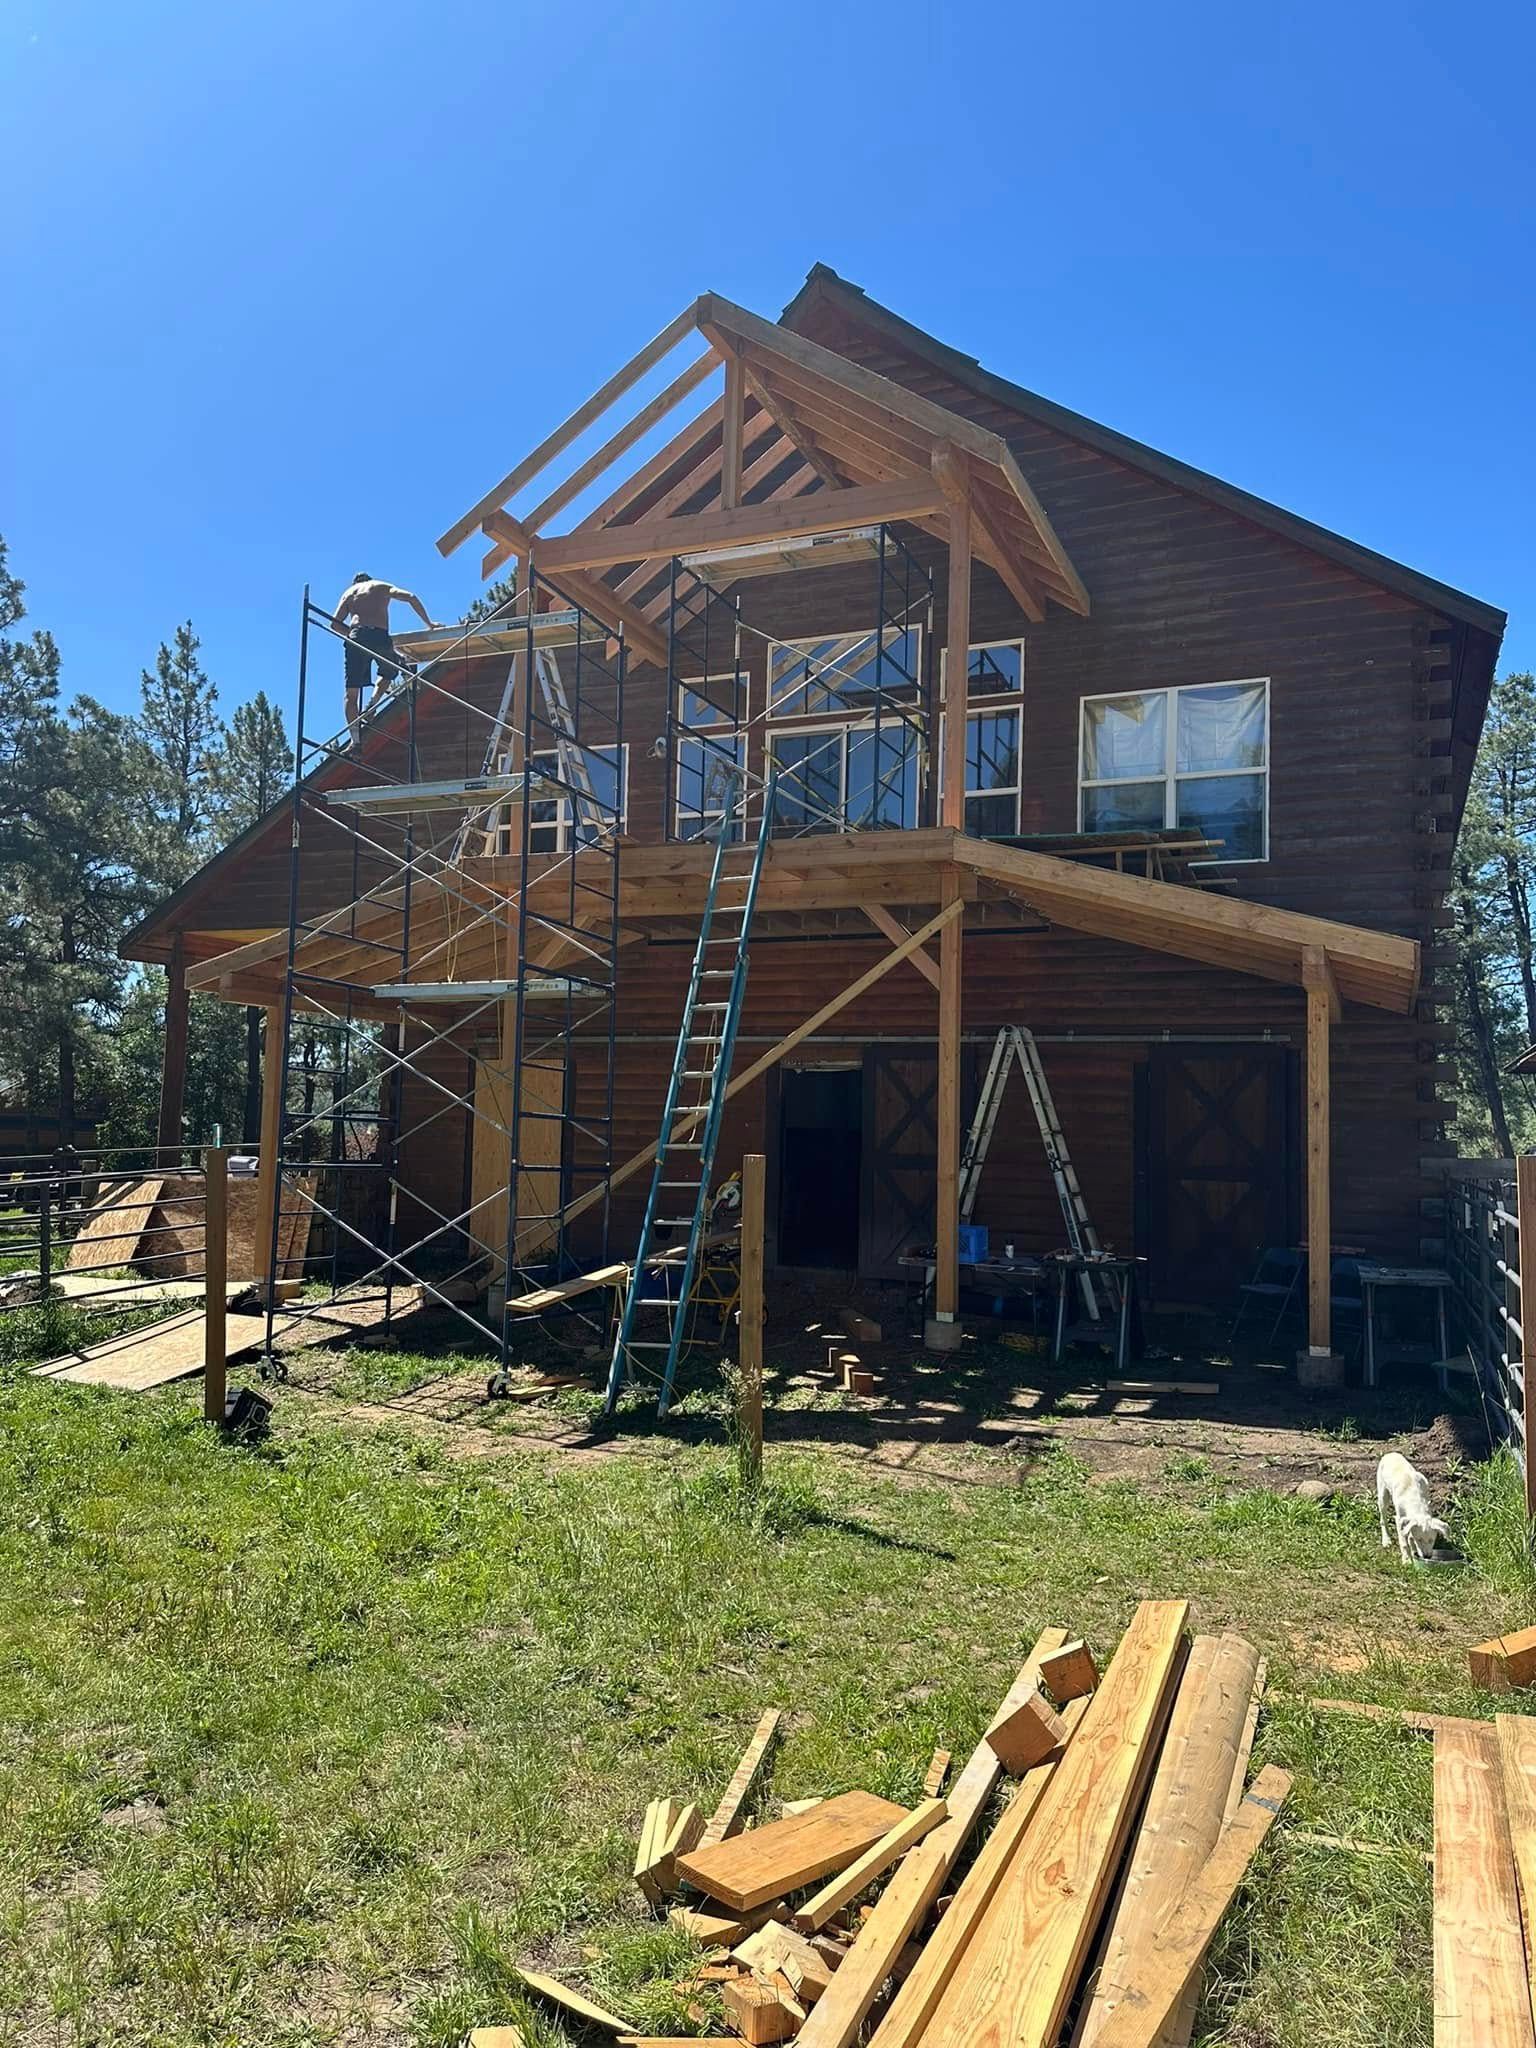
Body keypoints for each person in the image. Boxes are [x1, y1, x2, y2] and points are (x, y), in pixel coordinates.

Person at [332, 573, 442, 734]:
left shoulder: (349, 592)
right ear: (369, 580)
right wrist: (429, 623)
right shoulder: (380, 585)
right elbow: (411, 597)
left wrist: (353, 634)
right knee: (390, 670)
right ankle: (373, 703)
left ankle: (355, 740)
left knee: (351, 692)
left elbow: (334, 624)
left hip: (356, 637)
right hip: (379, 636)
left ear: (355, 583)